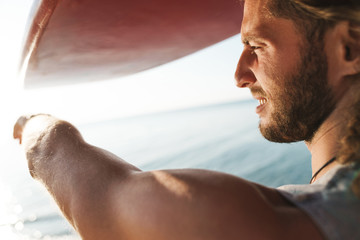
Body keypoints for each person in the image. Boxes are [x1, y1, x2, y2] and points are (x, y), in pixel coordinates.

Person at [13, 0, 360, 239]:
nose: (239, 75)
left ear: (350, 50)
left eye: (256, 45)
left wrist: (41, 132)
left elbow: (107, 205)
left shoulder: (317, 218)